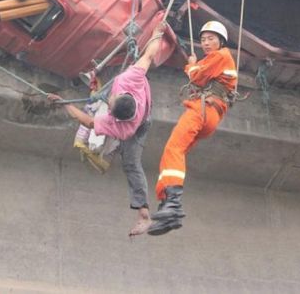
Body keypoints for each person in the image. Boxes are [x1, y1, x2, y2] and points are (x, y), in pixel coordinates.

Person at [48, 24, 165, 236]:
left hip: (142, 124)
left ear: (115, 116)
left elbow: (89, 122)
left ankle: (143, 214)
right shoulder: (131, 79)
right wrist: (158, 33)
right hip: (142, 110)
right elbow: (148, 55)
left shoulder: (123, 128)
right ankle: (143, 212)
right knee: (130, 162)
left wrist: (65, 104)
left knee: (131, 164)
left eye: (109, 104)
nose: (109, 100)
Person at [147, 21, 238, 236]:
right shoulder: (216, 60)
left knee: (173, 149)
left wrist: (191, 65)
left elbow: (197, 77)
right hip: (211, 115)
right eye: (204, 39)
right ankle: (166, 204)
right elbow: (201, 76)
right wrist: (196, 66)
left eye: (211, 39)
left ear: (221, 41)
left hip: (202, 110)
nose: (206, 43)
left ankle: (174, 205)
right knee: (172, 154)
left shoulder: (221, 55)